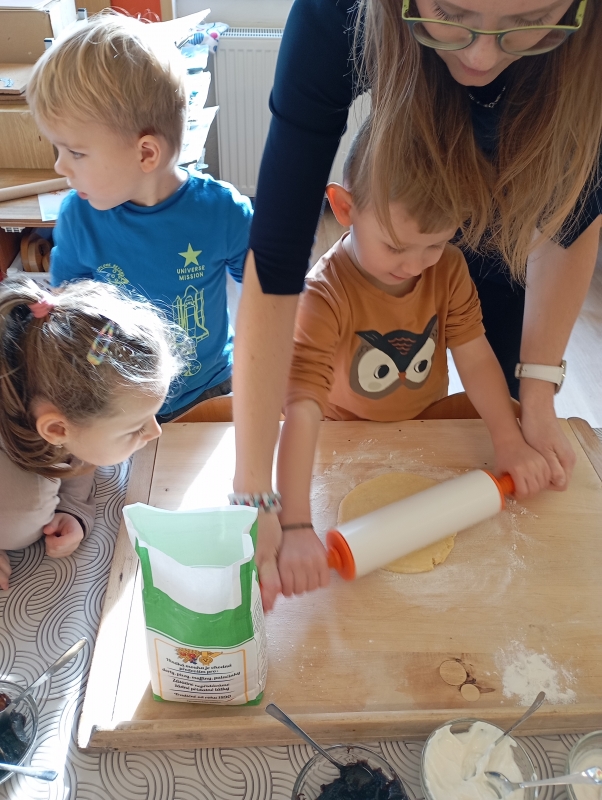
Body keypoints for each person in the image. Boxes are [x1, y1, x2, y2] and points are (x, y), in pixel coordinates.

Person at [232, 0, 602, 610]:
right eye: (452, 13)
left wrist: (530, 408)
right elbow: (277, 286)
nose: (481, 55)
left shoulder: (445, 266)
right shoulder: (335, 19)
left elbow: (575, 215)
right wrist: (272, 506)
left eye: (525, 23)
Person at [275, 124, 550, 595]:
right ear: (345, 208)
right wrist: (296, 524)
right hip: (342, 433)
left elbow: (476, 356)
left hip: (427, 423)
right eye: (396, 246)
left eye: (435, 244)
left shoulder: (450, 269)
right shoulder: (324, 295)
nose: (415, 264)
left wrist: (509, 440)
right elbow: (300, 408)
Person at [26, 13, 253, 422]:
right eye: (58, 149)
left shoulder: (221, 213)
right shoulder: (78, 218)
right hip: (122, 401)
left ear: (146, 153)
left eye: (75, 152)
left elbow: (268, 288)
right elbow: (72, 315)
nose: (60, 166)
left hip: (210, 389)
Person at [0, 276, 185, 591]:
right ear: (56, 429)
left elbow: (81, 449)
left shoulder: (55, 389)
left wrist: (72, 506)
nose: (155, 432)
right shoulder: (19, 509)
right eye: (134, 427)